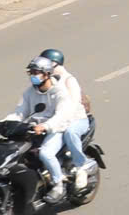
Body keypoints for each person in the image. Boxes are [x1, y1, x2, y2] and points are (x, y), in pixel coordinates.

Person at [17, 54, 90, 203]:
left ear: (48, 72)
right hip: (47, 125)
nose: (33, 76)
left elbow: (67, 110)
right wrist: (5, 123)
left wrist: (47, 125)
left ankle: (72, 174)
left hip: (67, 123)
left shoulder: (64, 85)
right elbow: (20, 112)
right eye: (31, 73)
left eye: (36, 72)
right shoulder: (31, 91)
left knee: (56, 145)